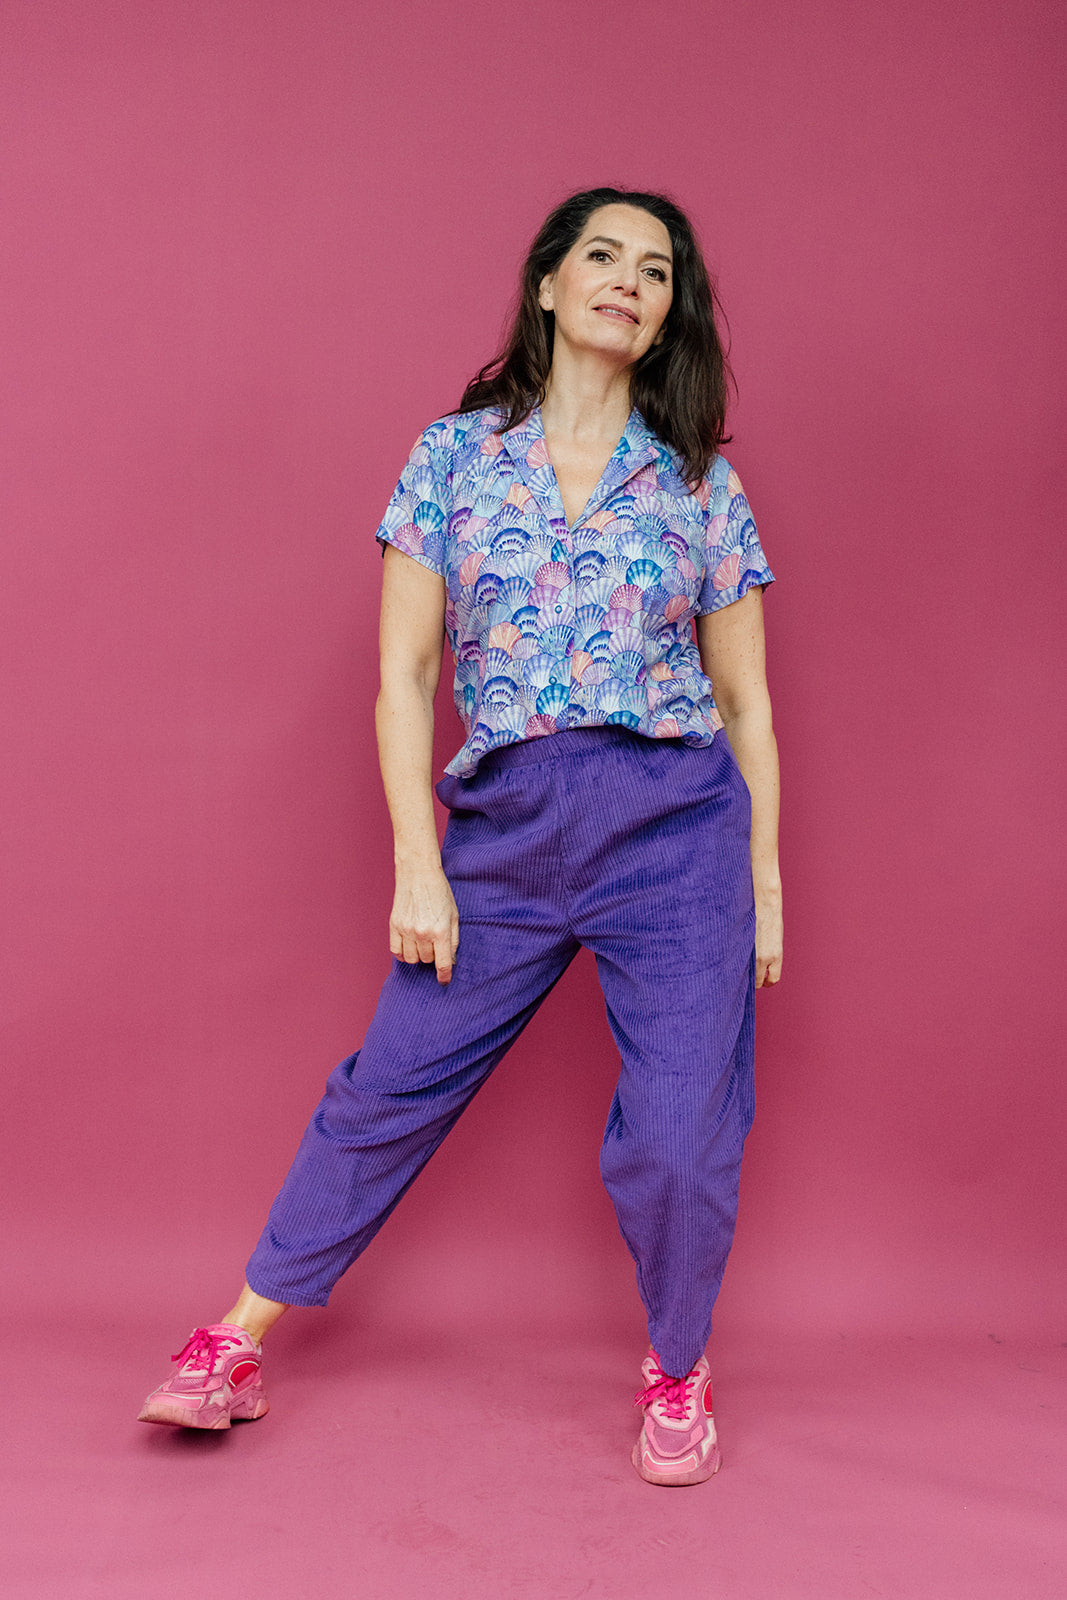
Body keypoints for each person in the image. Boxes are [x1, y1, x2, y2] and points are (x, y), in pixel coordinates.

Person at [138, 186, 783, 1487]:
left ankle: (677, 1366)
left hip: (677, 832)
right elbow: (405, 673)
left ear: (669, 316)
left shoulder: (700, 484)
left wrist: (763, 885)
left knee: (680, 1132)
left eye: (656, 271)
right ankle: (238, 1339)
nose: (629, 280)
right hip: (507, 829)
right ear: (548, 284)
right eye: (602, 255)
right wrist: (417, 865)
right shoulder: (453, 459)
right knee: (387, 1088)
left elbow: (744, 702)